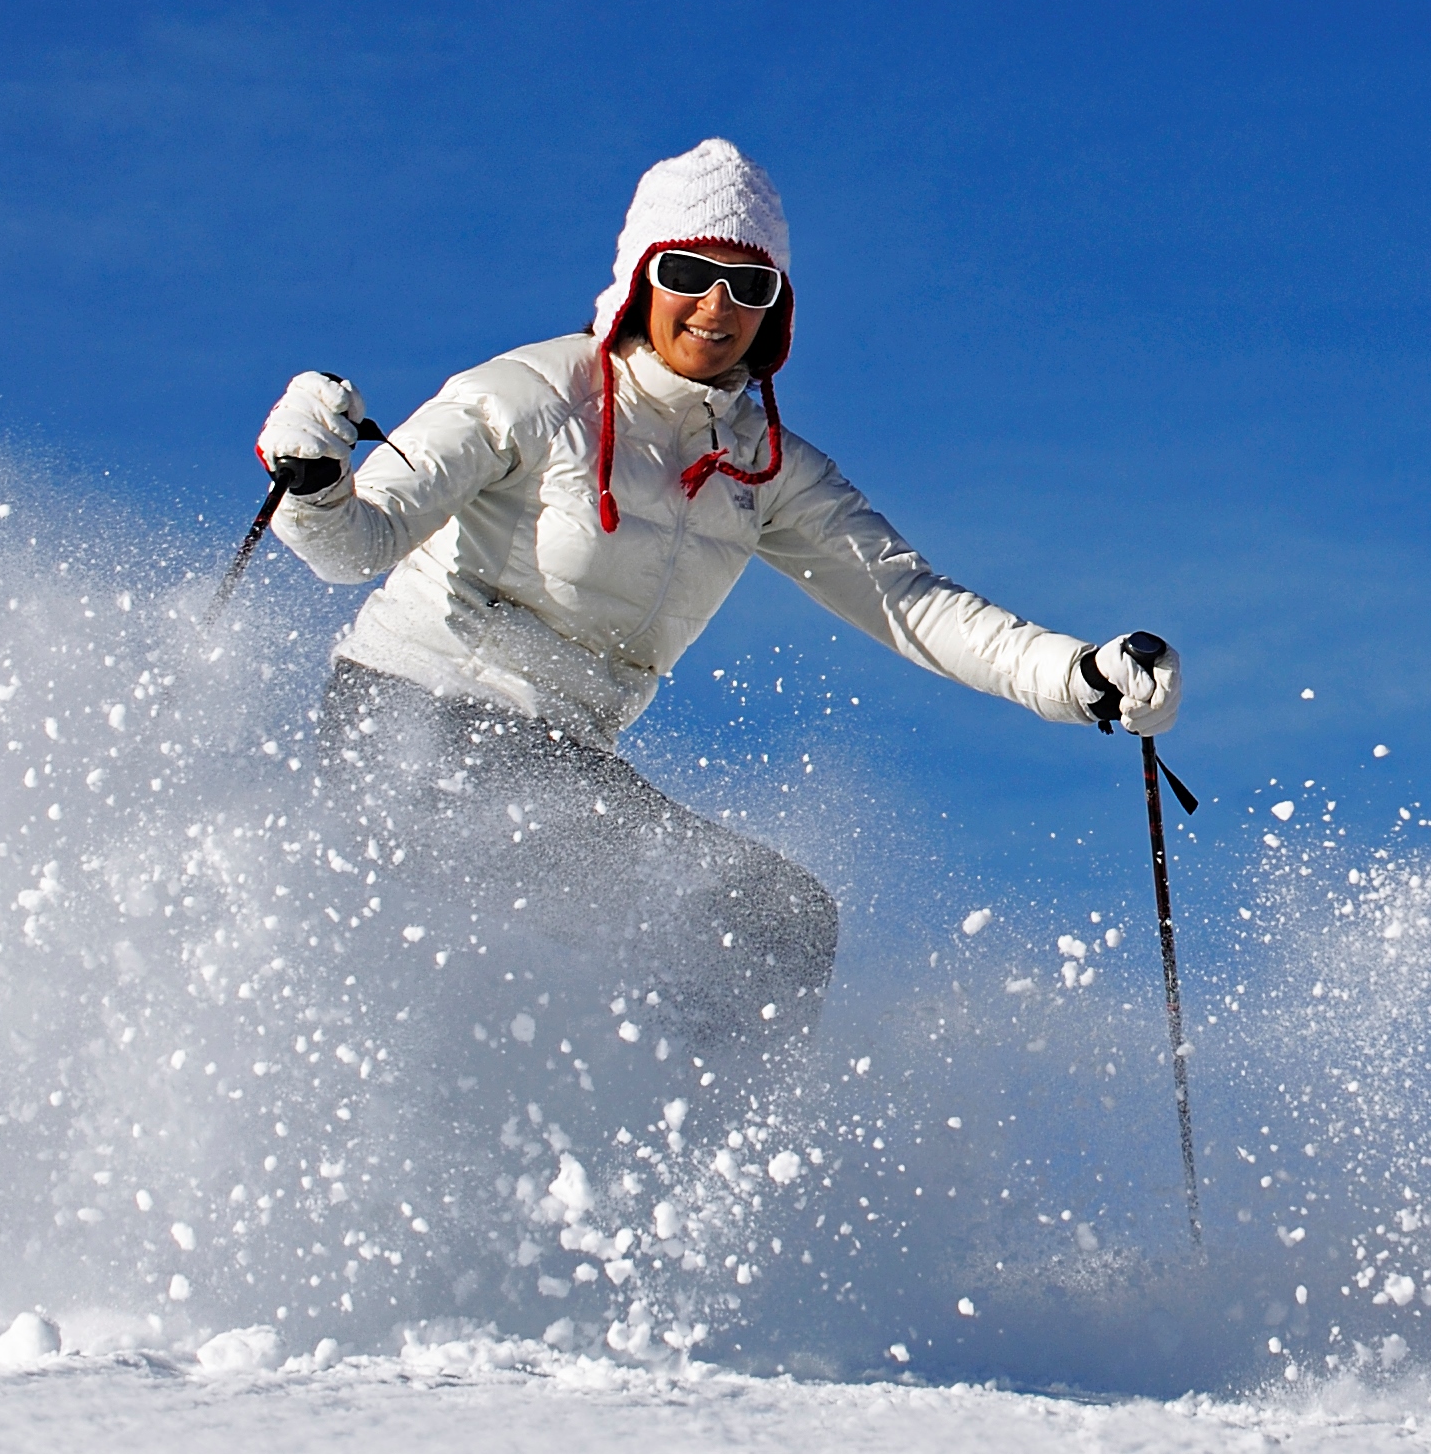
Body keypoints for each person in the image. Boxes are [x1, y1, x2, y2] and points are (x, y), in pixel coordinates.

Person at [249, 137, 1180, 1048]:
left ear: (776, 309)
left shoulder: (761, 468)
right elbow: (353, 544)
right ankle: (668, 1151)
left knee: (773, 925)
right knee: (750, 920)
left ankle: (633, 1135)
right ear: (641, 277)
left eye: (750, 285)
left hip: (555, 755)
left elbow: (908, 601)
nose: (716, 304)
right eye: (690, 271)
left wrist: (1078, 676)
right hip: (411, 723)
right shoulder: (530, 394)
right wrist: (311, 474)